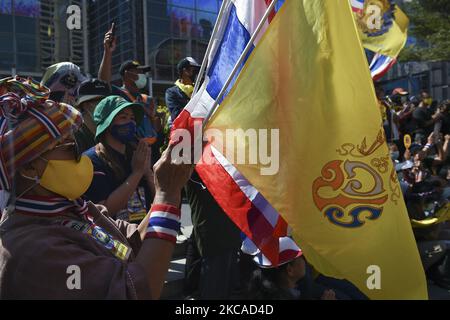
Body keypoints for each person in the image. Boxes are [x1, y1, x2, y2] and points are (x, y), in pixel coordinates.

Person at [0, 76, 194, 299]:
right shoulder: (33, 250)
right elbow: (135, 291)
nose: (80, 155)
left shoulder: (75, 209)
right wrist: (167, 196)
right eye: (70, 148)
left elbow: (132, 242)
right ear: (29, 169)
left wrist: (168, 188)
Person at [83, 96, 155, 224]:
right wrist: (137, 173)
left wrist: (148, 173)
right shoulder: (91, 160)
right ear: (107, 123)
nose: (130, 123)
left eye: (132, 118)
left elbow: (159, 198)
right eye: (123, 117)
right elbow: (104, 211)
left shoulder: (137, 154)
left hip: (145, 232)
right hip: (114, 239)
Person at [98, 26, 163, 163]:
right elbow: (103, 82)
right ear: (127, 74)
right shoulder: (118, 95)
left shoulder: (147, 98)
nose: (142, 75)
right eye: (138, 71)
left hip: (153, 150)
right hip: (133, 150)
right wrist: (107, 52)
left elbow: (157, 128)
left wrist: (153, 117)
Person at [74, 79, 112, 152]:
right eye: (102, 102)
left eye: (109, 101)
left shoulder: (110, 131)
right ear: (85, 105)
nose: (109, 106)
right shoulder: (74, 138)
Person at [165, 57, 201, 123]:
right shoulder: (172, 92)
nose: (197, 74)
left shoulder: (200, 90)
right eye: (195, 70)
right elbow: (176, 115)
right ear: (185, 71)